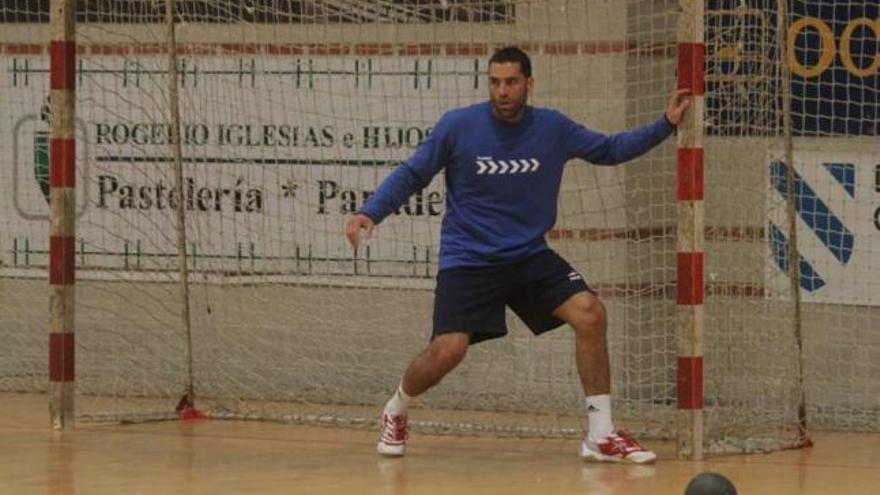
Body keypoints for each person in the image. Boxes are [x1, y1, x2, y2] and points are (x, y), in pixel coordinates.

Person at [345, 46, 690, 464]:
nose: (502, 91)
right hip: (470, 257)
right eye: (494, 82)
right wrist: (371, 211)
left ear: (529, 83)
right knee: (448, 350)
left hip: (527, 255)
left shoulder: (553, 128)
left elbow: (610, 150)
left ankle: (601, 435)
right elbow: (414, 173)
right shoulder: (458, 126)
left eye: (510, 82)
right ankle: (397, 407)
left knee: (590, 312)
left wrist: (666, 124)